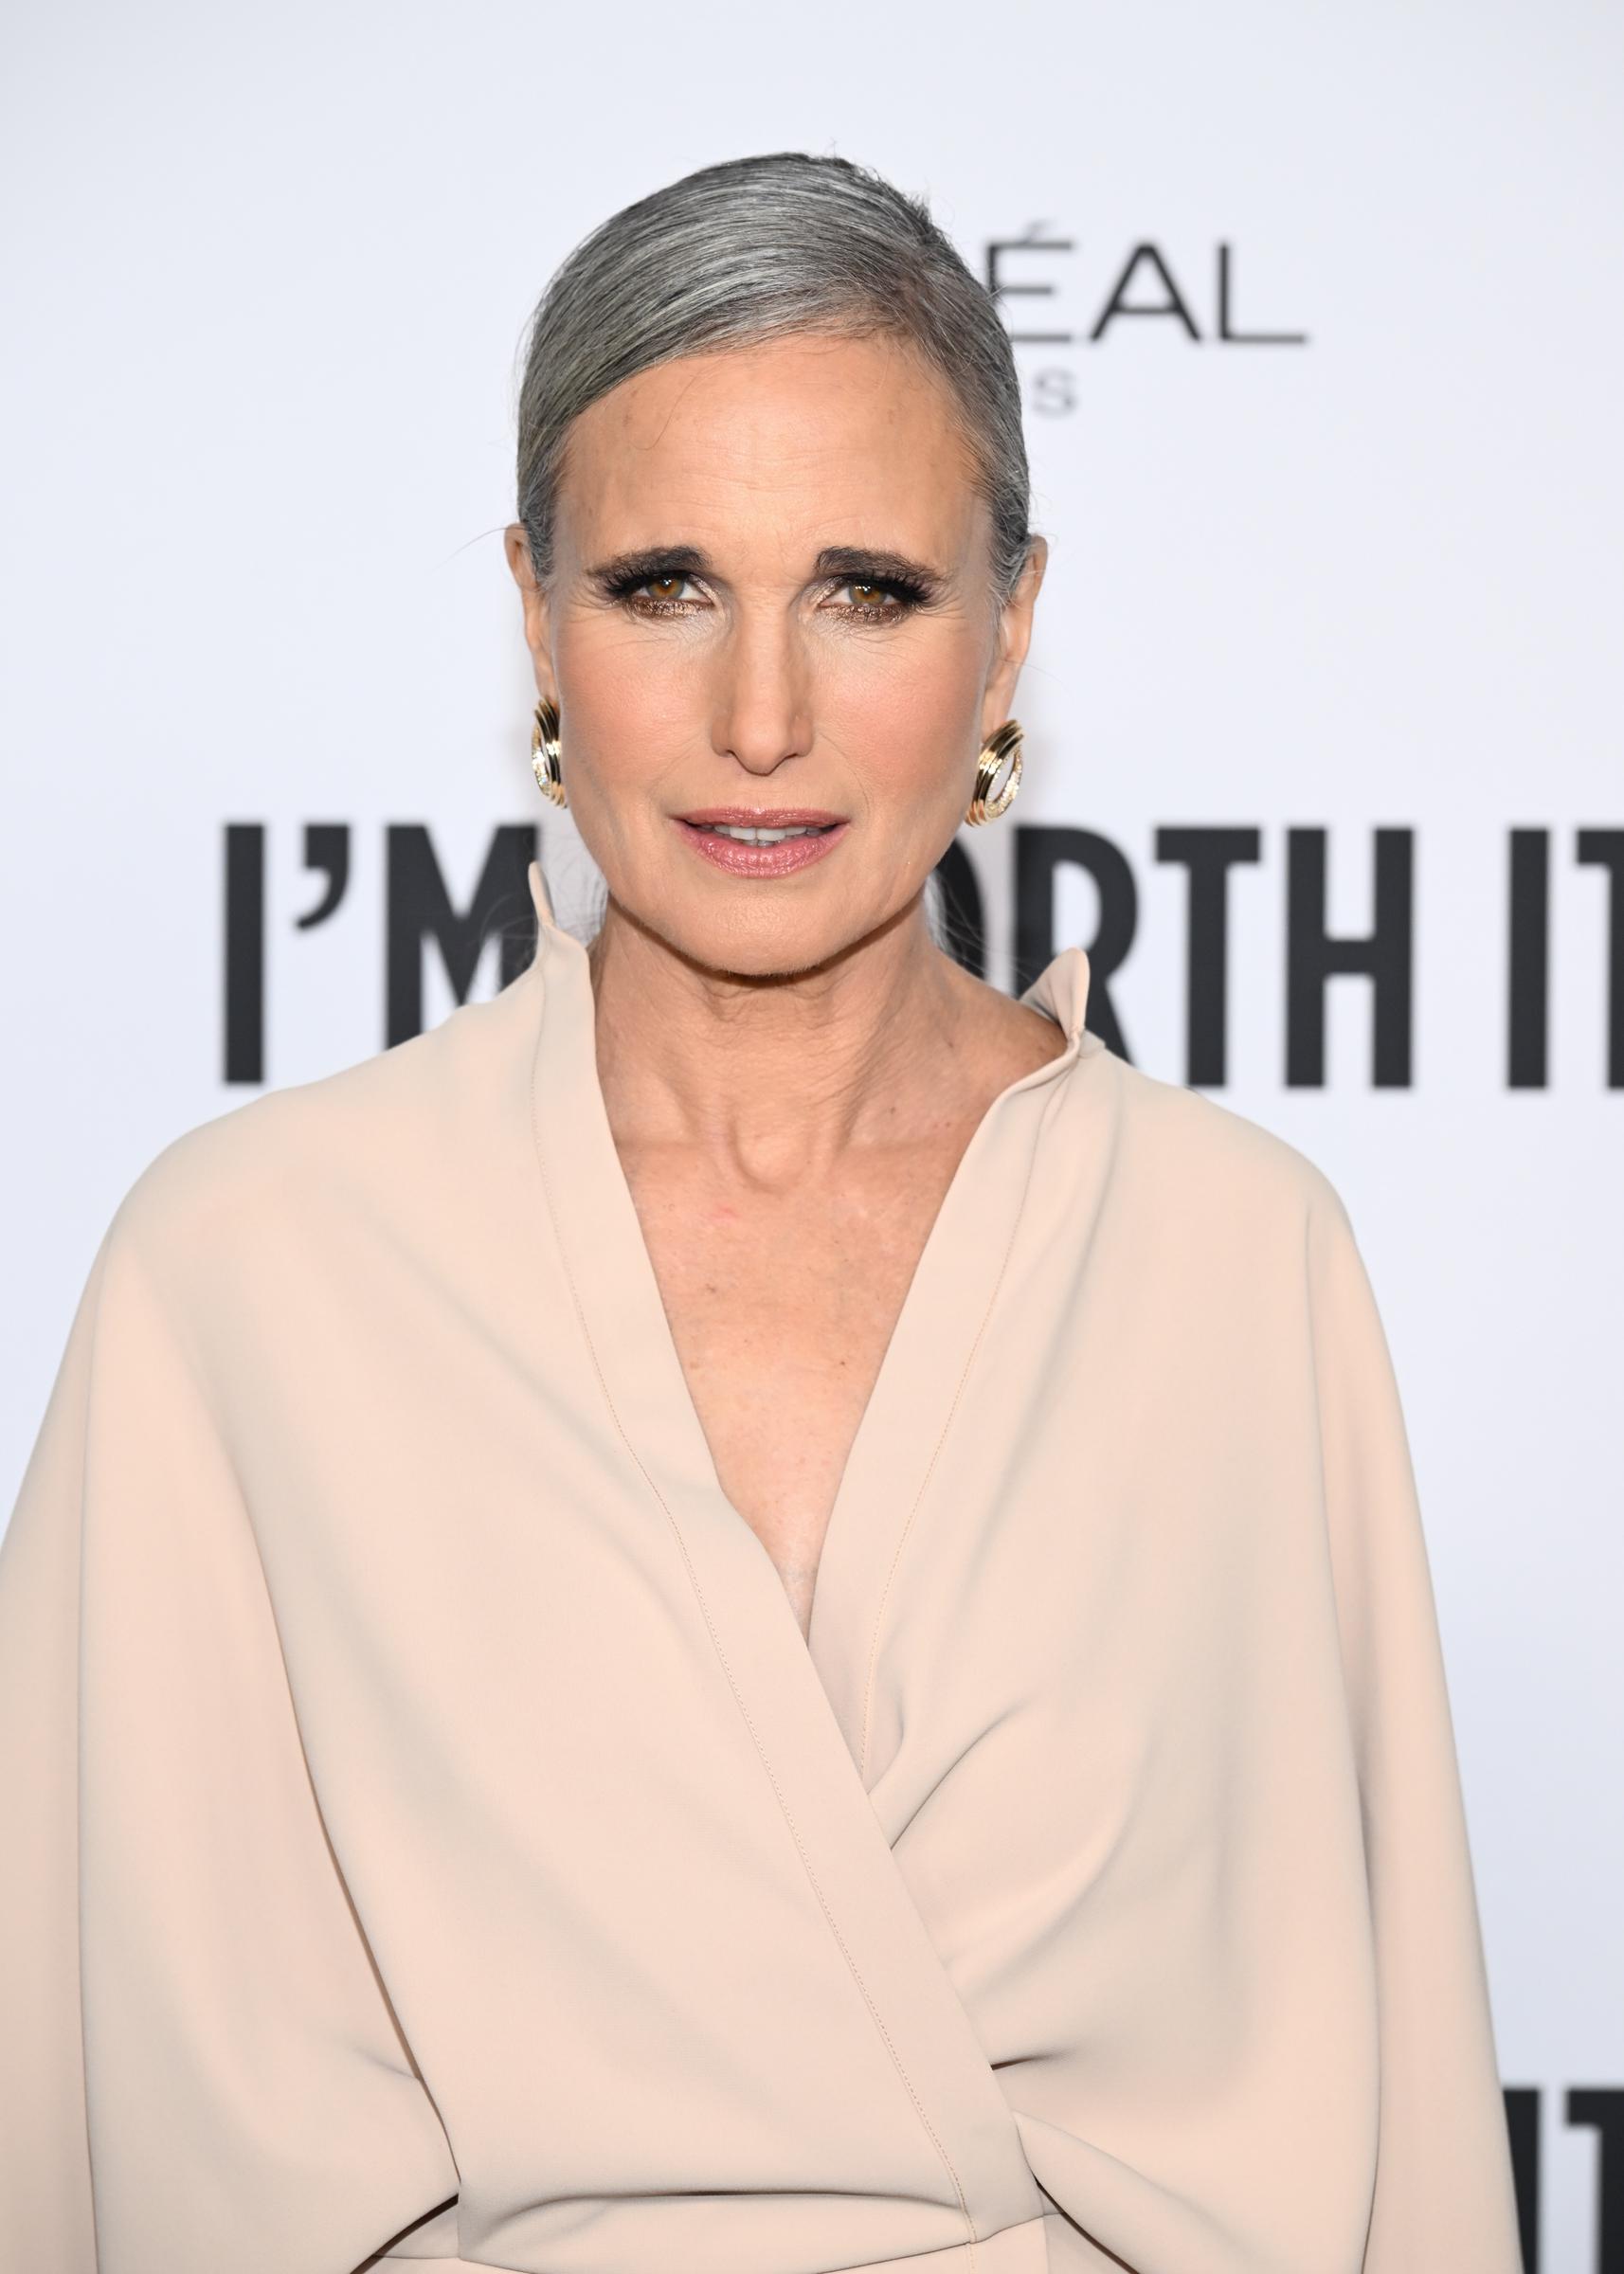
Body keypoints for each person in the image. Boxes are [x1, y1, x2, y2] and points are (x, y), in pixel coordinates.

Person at [0, 152, 1523, 2274]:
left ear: (1010, 634)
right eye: (664, 586)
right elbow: (86, 2142)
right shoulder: (242, 1277)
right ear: (534, 614)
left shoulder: (1232, 1257)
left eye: (866, 590)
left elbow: (1400, 2149)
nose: (759, 722)